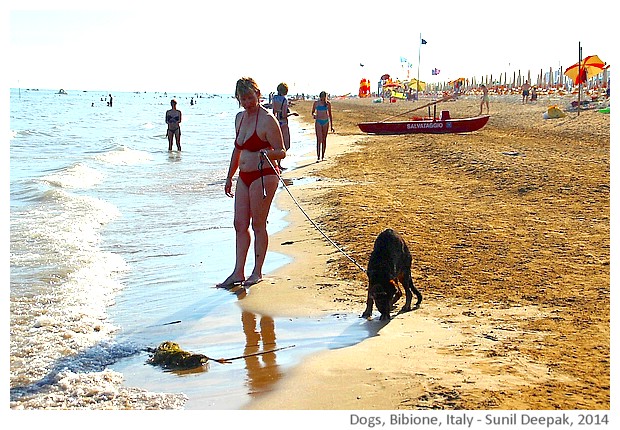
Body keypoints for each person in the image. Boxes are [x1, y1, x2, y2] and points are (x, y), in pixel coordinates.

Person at [218, 77, 286, 287]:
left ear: (258, 94)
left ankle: (257, 271)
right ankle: (238, 272)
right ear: (238, 99)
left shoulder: (267, 120)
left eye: (250, 97)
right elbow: (237, 149)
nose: (247, 102)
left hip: (264, 175)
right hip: (244, 176)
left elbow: (281, 152)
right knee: (239, 224)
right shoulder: (239, 118)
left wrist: (268, 152)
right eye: (243, 98)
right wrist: (230, 176)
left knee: (258, 224)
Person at [272, 83, 298, 169]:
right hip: (283, 123)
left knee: (277, 144)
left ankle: (276, 163)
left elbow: (274, 112)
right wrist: (292, 113)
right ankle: (278, 163)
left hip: (276, 122)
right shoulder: (284, 100)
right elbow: (284, 115)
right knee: (286, 145)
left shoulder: (274, 98)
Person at [311, 91, 334, 162]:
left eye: (324, 98)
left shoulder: (328, 104)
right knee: (319, 139)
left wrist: (331, 126)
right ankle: (318, 157)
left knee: (324, 139)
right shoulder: (316, 103)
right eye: (321, 98)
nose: (322, 99)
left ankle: (323, 156)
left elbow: (330, 115)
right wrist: (314, 115)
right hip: (318, 121)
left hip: (325, 122)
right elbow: (312, 112)